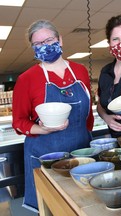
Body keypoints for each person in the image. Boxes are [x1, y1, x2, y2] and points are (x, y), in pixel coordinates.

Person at [12, 20, 94, 213]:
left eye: (49, 40)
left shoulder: (80, 71)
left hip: (82, 151)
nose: (45, 46)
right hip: (46, 156)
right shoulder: (27, 79)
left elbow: (88, 114)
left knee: (84, 204)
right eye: (38, 44)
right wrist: (42, 128)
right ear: (33, 48)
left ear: (60, 40)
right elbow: (19, 121)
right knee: (53, 206)